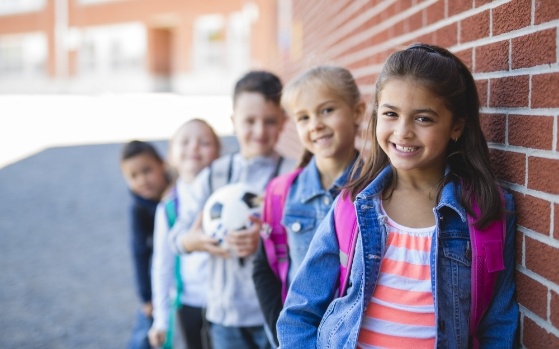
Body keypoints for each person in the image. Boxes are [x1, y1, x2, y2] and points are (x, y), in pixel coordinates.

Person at [276, 43, 519, 348]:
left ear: (456, 126)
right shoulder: (352, 205)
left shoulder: (485, 211)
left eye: (423, 119)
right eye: (391, 114)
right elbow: (300, 312)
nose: (403, 131)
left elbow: (499, 321)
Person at [167, 71, 296, 349]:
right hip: (225, 316)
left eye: (270, 121)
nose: (260, 131)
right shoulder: (214, 175)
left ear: (283, 122)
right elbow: (176, 238)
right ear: (233, 122)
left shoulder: (291, 176)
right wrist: (197, 240)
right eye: (250, 121)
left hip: (276, 313)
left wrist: (266, 238)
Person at [251, 66, 365, 347]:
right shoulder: (282, 193)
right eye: (303, 117)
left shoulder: (378, 189)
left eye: (326, 110)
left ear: (358, 112)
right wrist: (284, 336)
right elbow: (264, 269)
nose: (315, 124)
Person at [148, 119, 221, 349]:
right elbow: (162, 264)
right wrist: (160, 319)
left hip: (227, 302)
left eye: (204, 142)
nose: (194, 147)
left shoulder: (226, 197)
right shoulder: (168, 208)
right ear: (170, 155)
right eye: (185, 141)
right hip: (189, 301)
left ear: (219, 154)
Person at [120, 140, 170, 349]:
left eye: (147, 170)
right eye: (133, 176)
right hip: (155, 283)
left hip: (177, 278)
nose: (142, 180)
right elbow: (139, 253)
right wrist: (146, 298)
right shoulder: (139, 209)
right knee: (145, 337)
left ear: (162, 164)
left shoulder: (176, 196)